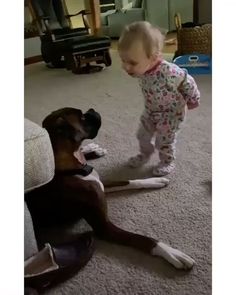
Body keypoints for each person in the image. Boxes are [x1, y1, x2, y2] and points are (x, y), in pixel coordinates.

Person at [118, 21, 200, 176]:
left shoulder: (169, 72)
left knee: (164, 141)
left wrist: (193, 98)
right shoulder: (142, 68)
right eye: (123, 60)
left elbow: (186, 81)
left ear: (154, 57)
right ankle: (145, 154)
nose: (126, 67)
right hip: (151, 110)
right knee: (142, 135)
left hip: (172, 113)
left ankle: (167, 161)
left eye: (132, 62)